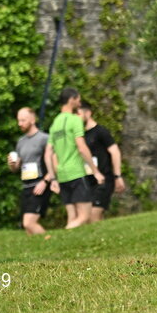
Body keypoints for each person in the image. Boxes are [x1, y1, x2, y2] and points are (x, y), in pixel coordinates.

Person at [45, 88, 104, 229]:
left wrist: (53, 178)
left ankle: (71, 244)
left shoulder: (55, 123)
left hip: (62, 175)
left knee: (72, 217)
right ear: (71, 100)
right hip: (76, 173)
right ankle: (62, 236)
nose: (80, 102)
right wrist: (95, 171)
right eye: (78, 99)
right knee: (85, 216)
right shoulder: (75, 120)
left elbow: (48, 154)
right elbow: (82, 147)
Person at [77, 102, 127, 223]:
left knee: (94, 215)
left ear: (87, 113)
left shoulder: (101, 131)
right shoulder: (80, 135)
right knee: (89, 219)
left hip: (103, 180)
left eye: (78, 114)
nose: (76, 118)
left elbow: (115, 152)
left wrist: (117, 176)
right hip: (87, 180)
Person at [8, 107, 51, 235]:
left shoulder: (44, 138)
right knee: (27, 227)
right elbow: (16, 168)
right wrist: (11, 164)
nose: (19, 123)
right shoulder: (20, 142)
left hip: (40, 185)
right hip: (26, 186)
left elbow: (54, 163)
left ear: (32, 120)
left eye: (23, 120)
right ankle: (37, 253)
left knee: (29, 222)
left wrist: (45, 181)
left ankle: (49, 243)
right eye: (18, 120)